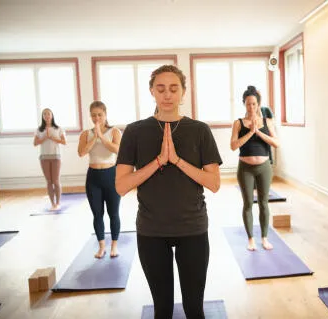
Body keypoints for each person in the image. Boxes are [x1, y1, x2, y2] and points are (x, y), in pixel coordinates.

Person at [115, 65, 222, 318]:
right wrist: (159, 161)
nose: (167, 94)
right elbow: (121, 186)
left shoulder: (199, 130)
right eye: (161, 88)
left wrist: (177, 160)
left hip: (192, 229)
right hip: (152, 231)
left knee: (194, 308)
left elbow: (214, 183)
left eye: (174, 88)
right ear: (152, 91)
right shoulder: (134, 131)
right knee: (162, 309)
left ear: (183, 92)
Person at [230, 86, 279, 251]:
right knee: (248, 203)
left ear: (258, 104)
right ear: (244, 104)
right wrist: (250, 133)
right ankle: (251, 239)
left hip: (264, 167)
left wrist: (258, 132)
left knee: (264, 203)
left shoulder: (267, 122)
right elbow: (233, 145)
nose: (251, 107)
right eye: (248, 104)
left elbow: (276, 143)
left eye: (254, 104)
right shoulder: (238, 123)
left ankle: (264, 238)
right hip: (245, 168)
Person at [78, 101, 122, 258]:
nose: (97, 118)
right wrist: (94, 136)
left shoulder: (114, 131)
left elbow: (117, 150)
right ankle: (102, 246)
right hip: (93, 178)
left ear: (105, 115)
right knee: (97, 214)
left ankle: (114, 246)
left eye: (100, 115)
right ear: (90, 116)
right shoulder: (85, 134)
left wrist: (101, 137)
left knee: (113, 213)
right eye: (94, 115)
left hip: (111, 175)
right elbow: (82, 153)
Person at [33, 108, 66, 211]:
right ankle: (52, 204)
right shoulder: (39, 130)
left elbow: (64, 142)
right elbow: (35, 143)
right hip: (44, 157)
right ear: (43, 117)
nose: (47, 116)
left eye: (48, 114)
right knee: (49, 181)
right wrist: (45, 137)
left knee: (55, 181)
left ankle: (58, 202)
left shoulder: (58, 128)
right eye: (44, 114)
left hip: (56, 156)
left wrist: (51, 137)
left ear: (52, 115)